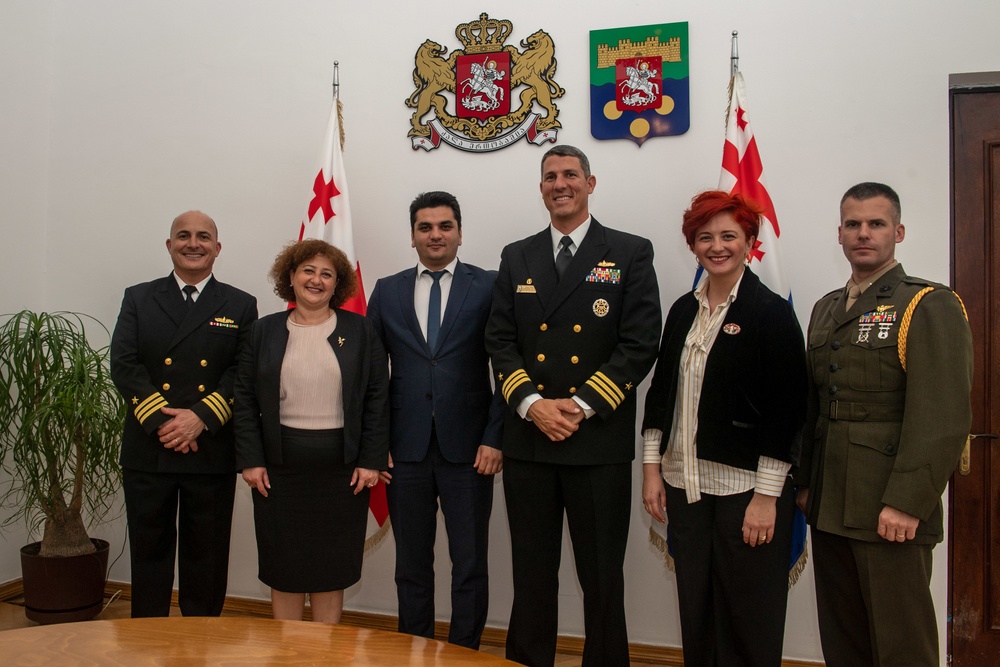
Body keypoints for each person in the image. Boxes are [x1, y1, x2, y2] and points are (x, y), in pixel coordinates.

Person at [485, 145, 661, 667]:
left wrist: (581, 406)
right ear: (540, 188)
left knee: (602, 576)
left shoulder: (629, 251)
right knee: (532, 572)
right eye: (549, 177)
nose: (559, 184)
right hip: (530, 441)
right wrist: (533, 404)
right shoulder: (518, 255)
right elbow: (499, 340)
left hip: (596, 443)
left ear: (590, 182)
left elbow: (640, 342)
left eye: (570, 175)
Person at [795, 182, 973, 666]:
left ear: (898, 231)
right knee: (843, 639)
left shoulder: (927, 304)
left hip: (887, 506)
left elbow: (942, 416)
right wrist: (807, 483)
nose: (863, 234)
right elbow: (816, 407)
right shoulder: (827, 309)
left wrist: (907, 502)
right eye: (853, 224)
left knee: (901, 644)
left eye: (875, 224)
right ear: (839, 234)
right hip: (831, 502)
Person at [640, 191, 807, 666]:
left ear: (750, 241)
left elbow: (786, 410)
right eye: (705, 236)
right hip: (684, 488)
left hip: (745, 493)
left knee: (750, 615)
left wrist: (766, 497)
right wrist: (653, 470)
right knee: (697, 610)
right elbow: (661, 396)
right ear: (692, 245)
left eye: (729, 235)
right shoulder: (681, 311)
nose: (717, 246)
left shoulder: (770, 312)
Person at [367, 190, 504, 649]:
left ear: (460, 233)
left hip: (470, 452)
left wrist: (495, 436)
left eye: (445, 226)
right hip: (403, 452)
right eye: (425, 227)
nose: (435, 234)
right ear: (412, 236)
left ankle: (465, 652)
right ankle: (415, 648)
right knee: (410, 565)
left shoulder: (488, 285)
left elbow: (508, 368)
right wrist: (375, 442)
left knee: (469, 563)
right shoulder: (387, 290)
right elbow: (370, 375)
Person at [111, 210, 258, 617]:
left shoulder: (241, 304)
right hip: (149, 448)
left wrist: (200, 418)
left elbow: (242, 373)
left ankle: (202, 641)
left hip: (208, 447)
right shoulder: (139, 297)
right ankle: (147, 636)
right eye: (183, 236)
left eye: (203, 237)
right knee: (149, 552)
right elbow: (124, 364)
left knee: (206, 558)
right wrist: (166, 422)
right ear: (169, 245)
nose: (193, 243)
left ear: (217, 248)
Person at [234, 239, 389, 623]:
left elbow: (376, 397)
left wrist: (371, 459)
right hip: (278, 471)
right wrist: (250, 461)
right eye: (308, 270)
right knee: (283, 568)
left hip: (343, 471)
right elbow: (245, 399)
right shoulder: (263, 331)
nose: (316, 280)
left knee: (329, 569)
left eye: (326, 274)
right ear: (291, 276)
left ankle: (325, 656)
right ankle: (287, 656)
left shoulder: (361, 330)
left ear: (338, 285)